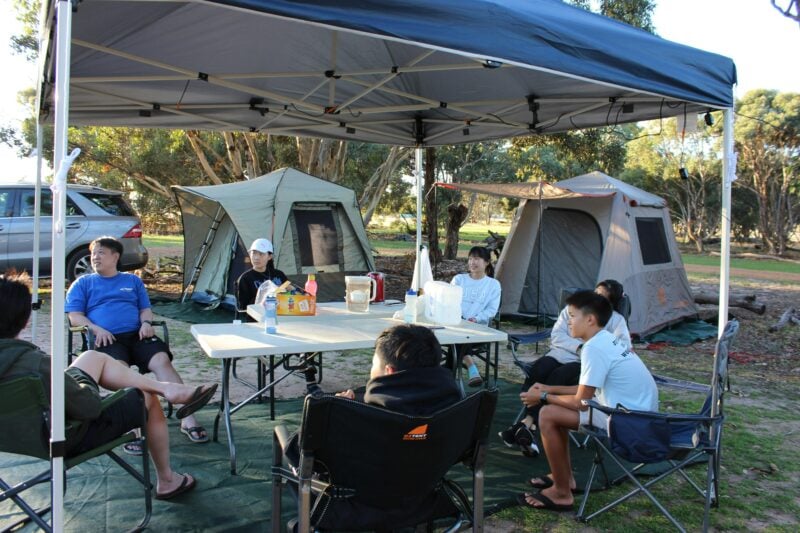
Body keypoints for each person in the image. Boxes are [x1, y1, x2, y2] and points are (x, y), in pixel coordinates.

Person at [0, 270, 217, 500]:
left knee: (93, 356)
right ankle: (167, 480)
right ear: (25, 321)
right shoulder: (36, 365)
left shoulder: (32, 365)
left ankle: (167, 388)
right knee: (145, 396)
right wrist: (81, 382)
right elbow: (89, 407)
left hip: (14, 436)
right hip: (62, 437)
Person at [516, 290, 658, 512]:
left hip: (628, 422)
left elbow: (581, 402)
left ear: (590, 319)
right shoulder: (606, 340)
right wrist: (549, 387)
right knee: (554, 408)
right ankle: (564, 477)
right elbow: (587, 390)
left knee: (547, 414)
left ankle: (562, 493)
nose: (568, 321)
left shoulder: (593, 348)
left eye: (572, 316)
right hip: (637, 415)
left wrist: (542, 396)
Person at [65, 236, 208, 449]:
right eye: (93, 253)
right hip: (107, 338)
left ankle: (188, 420)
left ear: (116, 256)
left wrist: (146, 323)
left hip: (137, 334)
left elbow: (145, 309)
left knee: (161, 361)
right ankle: (136, 427)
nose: (95, 257)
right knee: (123, 372)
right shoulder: (83, 283)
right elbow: (75, 316)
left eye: (101, 253)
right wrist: (97, 328)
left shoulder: (132, 281)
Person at [499, 279, 632, 456]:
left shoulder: (616, 320)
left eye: (603, 298)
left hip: (582, 362)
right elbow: (557, 335)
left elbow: (623, 346)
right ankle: (527, 425)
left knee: (558, 377)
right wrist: (578, 346)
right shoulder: (575, 309)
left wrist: (588, 351)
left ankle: (526, 424)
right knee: (539, 370)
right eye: (595, 294)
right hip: (559, 353)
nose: (596, 300)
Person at [450, 246, 502, 387]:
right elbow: (448, 301)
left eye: (477, 259)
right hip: (454, 324)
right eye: (470, 258)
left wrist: (476, 318)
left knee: (456, 340)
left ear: (486, 262)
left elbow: (492, 310)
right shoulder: (459, 279)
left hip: (477, 327)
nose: (473, 262)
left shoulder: (493, 285)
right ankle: (471, 366)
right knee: (454, 335)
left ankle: (447, 378)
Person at [235, 238, 288, 317]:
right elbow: (243, 308)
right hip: (257, 320)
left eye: (261, 254)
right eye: (254, 253)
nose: (256, 257)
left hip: (282, 316)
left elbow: (290, 292)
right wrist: (264, 297)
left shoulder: (279, 274)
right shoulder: (245, 278)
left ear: (269, 257)